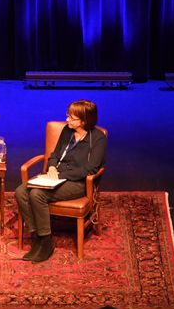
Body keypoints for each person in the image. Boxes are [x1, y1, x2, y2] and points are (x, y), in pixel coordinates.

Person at [13, 99, 107, 262]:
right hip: (54, 176)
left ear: (84, 121)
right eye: (67, 116)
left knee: (36, 194)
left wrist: (60, 175)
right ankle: (37, 237)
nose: (67, 120)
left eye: (72, 118)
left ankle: (46, 241)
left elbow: (90, 169)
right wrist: (51, 167)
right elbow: (55, 154)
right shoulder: (67, 131)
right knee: (20, 191)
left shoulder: (97, 138)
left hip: (76, 182)